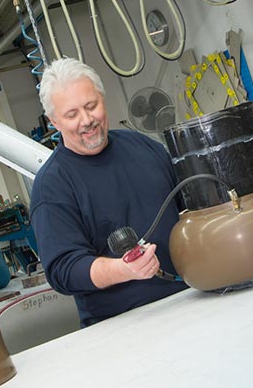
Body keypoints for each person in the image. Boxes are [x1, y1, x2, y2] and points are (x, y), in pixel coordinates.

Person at [30, 58, 187, 327]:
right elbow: (63, 270)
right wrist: (124, 270)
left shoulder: (144, 146)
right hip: (120, 327)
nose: (87, 120)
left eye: (92, 106)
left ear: (103, 98)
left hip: (188, 298)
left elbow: (189, 207)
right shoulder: (52, 185)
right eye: (72, 114)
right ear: (53, 121)